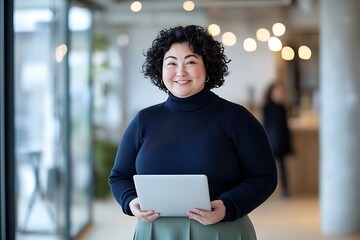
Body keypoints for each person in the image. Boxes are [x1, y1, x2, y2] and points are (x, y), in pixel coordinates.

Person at [109, 25, 277, 240]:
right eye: (171, 63)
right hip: (155, 232)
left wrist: (228, 205)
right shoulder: (144, 120)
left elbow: (264, 177)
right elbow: (119, 176)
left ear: (207, 67)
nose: (181, 72)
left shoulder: (237, 118)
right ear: (160, 69)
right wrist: (130, 200)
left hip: (222, 230)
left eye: (190, 62)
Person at [262, 82, 293, 198]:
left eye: (281, 92)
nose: (280, 94)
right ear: (271, 93)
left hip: (282, 140)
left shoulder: (282, 107)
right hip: (271, 141)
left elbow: (284, 127)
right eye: (278, 91)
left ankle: (285, 190)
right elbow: (267, 126)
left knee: (283, 167)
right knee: (268, 168)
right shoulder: (267, 107)